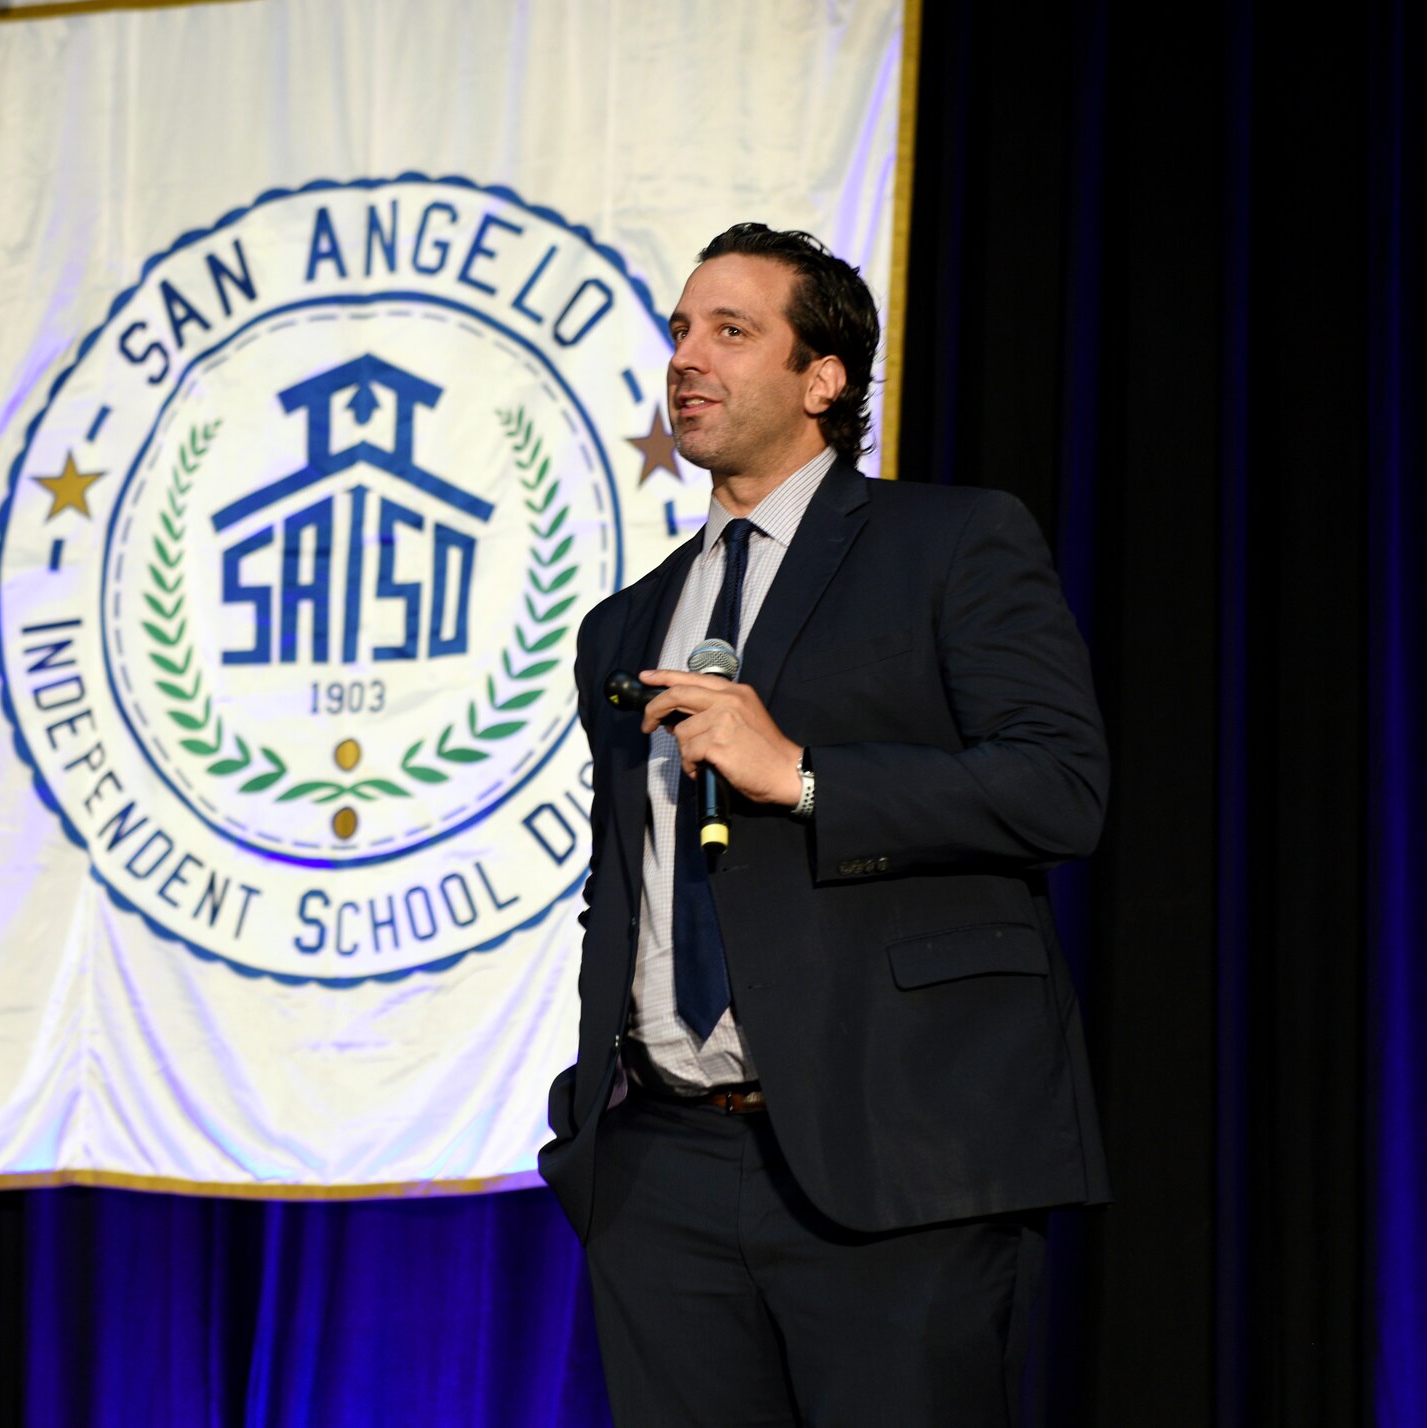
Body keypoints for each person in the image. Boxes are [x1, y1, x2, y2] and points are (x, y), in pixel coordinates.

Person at [538, 224, 1110, 1426]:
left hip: (893, 1156)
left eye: (730, 332)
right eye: (681, 331)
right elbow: (623, 886)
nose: (687, 359)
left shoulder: (947, 544)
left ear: (822, 378)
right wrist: (592, 1122)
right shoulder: (621, 625)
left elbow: (1059, 786)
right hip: (661, 1174)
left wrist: (804, 776)